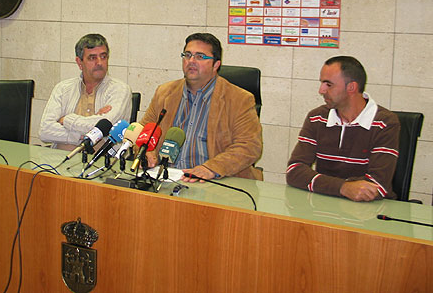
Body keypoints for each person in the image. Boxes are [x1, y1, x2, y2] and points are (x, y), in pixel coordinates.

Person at [140, 33, 263, 182]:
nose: (191, 61)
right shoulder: (164, 93)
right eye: (187, 55)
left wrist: (211, 168)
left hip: (213, 183)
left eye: (200, 57)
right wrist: (146, 151)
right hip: (165, 179)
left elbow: (249, 146)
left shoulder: (240, 99)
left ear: (216, 65)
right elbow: (143, 131)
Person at [286, 56, 400, 201]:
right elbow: (294, 171)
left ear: (351, 87)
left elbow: (378, 185)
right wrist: (343, 187)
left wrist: (322, 183)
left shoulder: (385, 122)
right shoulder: (317, 118)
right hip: (324, 205)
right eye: (322, 83)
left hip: (367, 213)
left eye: (328, 84)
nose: (321, 90)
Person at [39, 34, 132, 150]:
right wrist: (84, 135)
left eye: (103, 57)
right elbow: (45, 131)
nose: (99, 62)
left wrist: (66, 119)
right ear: (79, 62)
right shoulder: (63, 89)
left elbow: (106, 127)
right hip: (59, 160)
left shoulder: (120, 90)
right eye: (92, 58)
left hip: (101, 162)